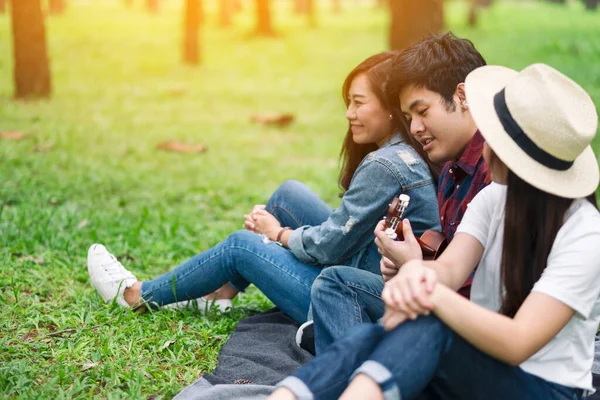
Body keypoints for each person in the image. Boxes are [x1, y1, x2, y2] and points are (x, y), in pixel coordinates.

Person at [268, 63, 600, 400]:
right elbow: (448, 271)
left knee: (432, 325)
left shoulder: (585, 235)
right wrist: (414, 274)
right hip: (477, 367)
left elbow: (517, 342)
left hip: (544, 389)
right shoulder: (493, 198)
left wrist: (431, 294)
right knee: (376, 337)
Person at [86, 52, 441, 325]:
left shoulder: (384, 164)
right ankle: (220, 293)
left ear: (391, 108)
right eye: (347, 102)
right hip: (367, 269)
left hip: (353, 302)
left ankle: (137, 296)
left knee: (242, 246)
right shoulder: (402, 153)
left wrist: (279, 233)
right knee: (289, 194)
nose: (349, 113)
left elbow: (331, 245)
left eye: (359, 102)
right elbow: (346, 233)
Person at [306, 32, 490, 354]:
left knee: (334, 281)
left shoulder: (495, 174)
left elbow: (476, 292)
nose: (415, 128)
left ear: (461, 95)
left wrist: (413, 268)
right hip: (439, 299)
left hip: (474, 327)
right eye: (408, 118)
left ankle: (357, 364)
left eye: (422, 111)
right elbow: (452, 252)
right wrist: (412, 258)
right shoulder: (451, 168)